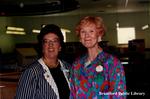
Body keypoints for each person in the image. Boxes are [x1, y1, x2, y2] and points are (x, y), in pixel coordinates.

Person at [69, 16, 126, 98]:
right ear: (80, 38)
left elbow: (119, 95)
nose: (87, 36)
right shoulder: (76, 65)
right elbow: (72, 94)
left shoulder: (112, 63)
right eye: (83, 32)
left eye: (91, 31)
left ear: (99, 34)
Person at [15, 24, 70, 99]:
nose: (50, 45)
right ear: (42, 47)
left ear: (60, 47)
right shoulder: (31, 73)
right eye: (46, 41)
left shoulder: (68, 67)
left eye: (54, 41)